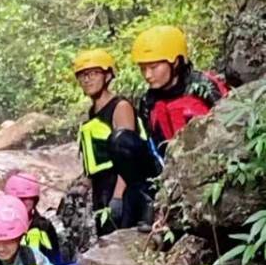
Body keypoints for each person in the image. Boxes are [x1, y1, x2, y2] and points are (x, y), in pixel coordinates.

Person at [72, 47, 157, 235]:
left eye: (93, 73)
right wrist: (85, 183)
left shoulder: (120, 107)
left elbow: (128, 155)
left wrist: (118, 196)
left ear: (108, 76)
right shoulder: (93, 113)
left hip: (123, 188)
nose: (87, 79)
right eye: (82, 75)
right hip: (101, 188)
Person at [132, 24, 227, 153]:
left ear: (175, 62)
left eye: (153, 67)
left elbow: (231, 125)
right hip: (170, 165)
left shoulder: (204, 86)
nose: (147, 75)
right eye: (143, 69)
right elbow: (151, 144)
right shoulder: (148, 102)